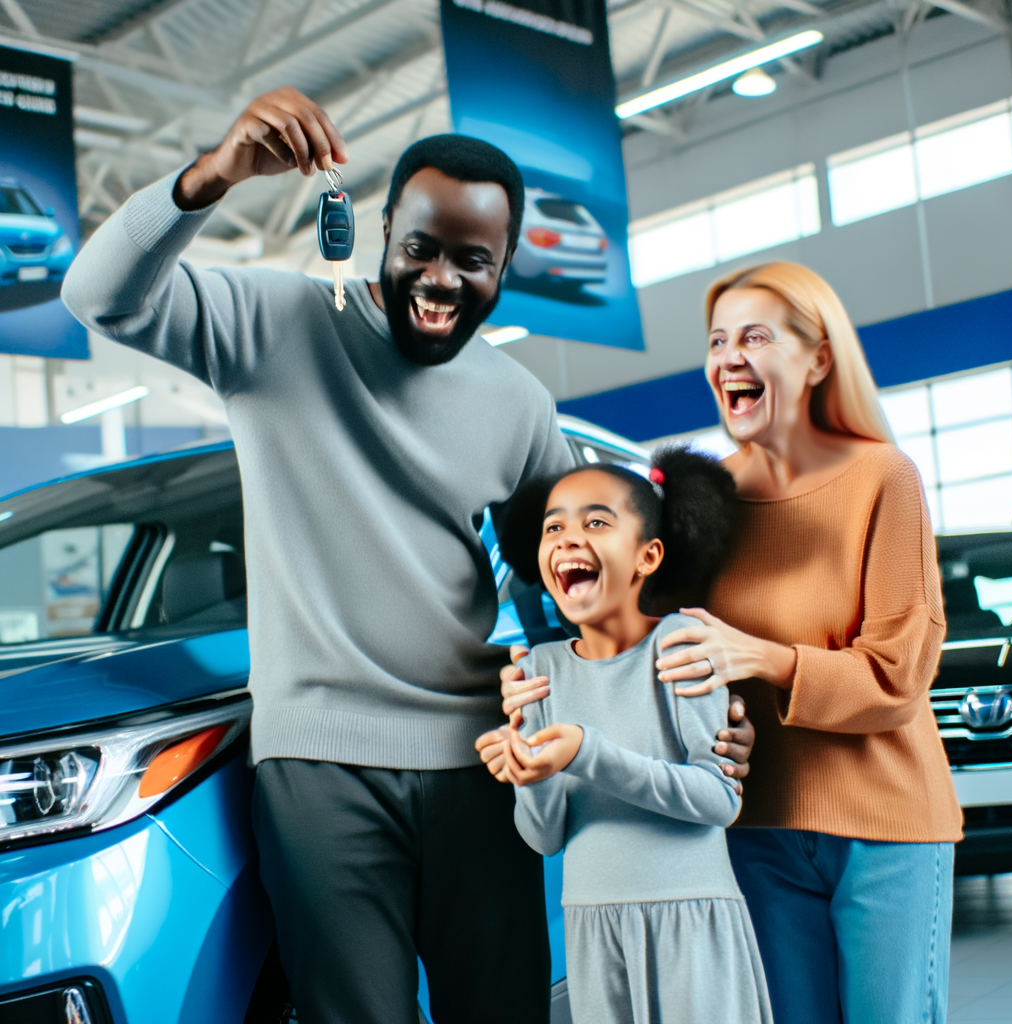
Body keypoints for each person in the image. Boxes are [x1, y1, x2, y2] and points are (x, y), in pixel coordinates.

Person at [62, 86, 574, 1024]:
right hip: (318, 771)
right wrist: (214, 175)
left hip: (484, 766)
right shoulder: (278, 327)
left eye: (475, 260)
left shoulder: (519, 403)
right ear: (381, 231)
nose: (442, 279)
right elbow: (96, 296)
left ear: (505, 267)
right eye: (420, 248)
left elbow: (579, 580)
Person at [643, 263, 961, 1023]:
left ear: (818, 358)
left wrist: (764, 657)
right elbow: (647, 647)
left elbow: (897, 676)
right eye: (717, 341)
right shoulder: (703, 498)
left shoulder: (882, 477)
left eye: (755, 336)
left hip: (886, 830)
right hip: (759, 830)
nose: (728, 358)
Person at [495, 449, 773, 1024]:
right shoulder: (537, 669)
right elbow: (543, 836)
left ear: (648, 556)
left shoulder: (681, 640)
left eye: (596, 522)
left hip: (690, 918)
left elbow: (719, 799)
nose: (570, 539)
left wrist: (587, 752)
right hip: (591, 927)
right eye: (555, 527)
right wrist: (529, 774)